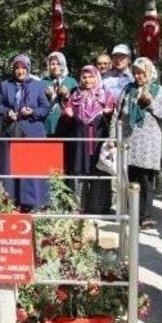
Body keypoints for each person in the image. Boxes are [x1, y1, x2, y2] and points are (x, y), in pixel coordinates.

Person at [115, 57, 162, 228]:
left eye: (141, 73)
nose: (138, 77)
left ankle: (146, 216)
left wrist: (151, 104)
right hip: (130, 140)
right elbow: (118, 114)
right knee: (130, 177)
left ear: (149, 72)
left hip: (149, 143)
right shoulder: (128, 89)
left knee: (146, 180)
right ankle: (131, 213)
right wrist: (113, 138)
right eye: (135, 73)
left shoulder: (159, 91)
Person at [0, 54, 51, 211]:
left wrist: (32, 111)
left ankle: (31, 203)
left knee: (29, 168)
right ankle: (8, 201)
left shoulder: (38, 86)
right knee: (10, 167)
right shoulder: (5, 85)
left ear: (28, 68)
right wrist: (7, 112)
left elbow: (45, 108)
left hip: (31, 131)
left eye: (23, 68)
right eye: (17, 68)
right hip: (11, 131)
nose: (20, 71)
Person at [63, 65, 116, 213]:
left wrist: (109, 112)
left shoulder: (105, 94)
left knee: (99, 170)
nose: (87, 80)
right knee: (79, 170)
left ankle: (98, 207)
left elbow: (115, 113)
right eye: (84, 77)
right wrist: (68, 113)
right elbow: (68, 114)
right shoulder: (75, 95)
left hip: (98, 139)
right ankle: (77, 206)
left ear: (96, 77)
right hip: (80, 140)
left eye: (91, 77)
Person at [41, 51, 78, 137]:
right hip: (48, 123)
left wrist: (67, 95)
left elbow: (78, 102)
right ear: (48, 66)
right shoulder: (43, 82)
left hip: (66, 123)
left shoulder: (71, 81)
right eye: (52, 64)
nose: (55, 67)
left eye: (58, 64)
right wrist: (45, 95)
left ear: (63, 65)